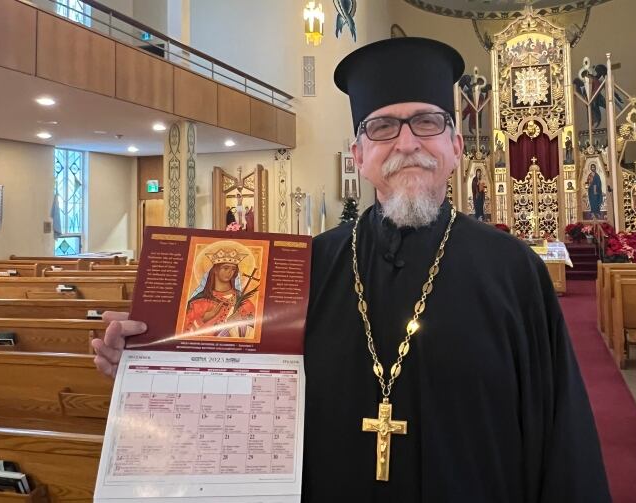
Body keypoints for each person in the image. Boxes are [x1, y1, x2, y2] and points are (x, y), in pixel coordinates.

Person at [92, 37, 610, 502]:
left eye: (427, 122)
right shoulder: (305, 267)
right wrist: (148, 362)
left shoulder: (513, 272)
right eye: (383, 127)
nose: (407, 144)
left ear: (455, 145)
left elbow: (562, 438)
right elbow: (228, 373)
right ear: (359, 154)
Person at [182, 248, 256, 338]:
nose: (230, 272)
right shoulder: (198, 302)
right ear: (215, 270)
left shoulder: (244, 302)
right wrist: (204, 319)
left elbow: (253, 331)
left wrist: (241, 322)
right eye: (225, 268)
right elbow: (185, 334)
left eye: (233, 269)